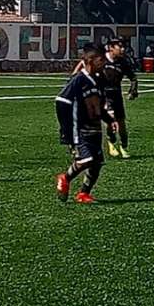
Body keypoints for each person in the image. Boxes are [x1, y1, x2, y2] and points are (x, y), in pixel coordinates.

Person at [55, 47, 114, 204]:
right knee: (87, 159)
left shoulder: (99, 80)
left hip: (95, 130)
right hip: (79, 130)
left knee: (97, 163)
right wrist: (65, 130)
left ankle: (83, 193)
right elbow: (61, 101)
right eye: (100, 60)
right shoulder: (78, 80)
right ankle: (65, 177)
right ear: (89, 61)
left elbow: (99, 107)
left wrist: (109, 122)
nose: (104, 63)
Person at [94, 38, 138, 158]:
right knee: (110, 119)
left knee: (121, 124)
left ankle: (124, 146)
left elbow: (133, 78)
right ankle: (111, 142)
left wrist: (133, 90)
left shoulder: (123, 62)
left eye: (123, 47)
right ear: (111, 48)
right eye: (120, 47)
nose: (122, 49)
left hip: (117, 95)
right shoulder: (101, 60)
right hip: (105, 96)